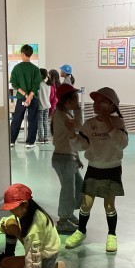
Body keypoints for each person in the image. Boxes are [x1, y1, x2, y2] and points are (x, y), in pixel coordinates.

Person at [64, 87, 128, 253]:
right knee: (86, 203)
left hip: (112, 169)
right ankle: (81, 231)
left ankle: (112, 235)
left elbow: (122, 144)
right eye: (95, 102)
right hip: (93, 168)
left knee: (109, 205)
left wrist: (109, 124)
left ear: (112, 106)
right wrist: (72, 134)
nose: (97, 105)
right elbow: (81, 145)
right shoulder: (89, 124)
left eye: (102, 102)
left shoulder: (118, 123)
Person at [0, 184, 65, 268]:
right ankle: (9, 255)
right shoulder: (28, 211)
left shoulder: (35, 228)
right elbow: (11, 222)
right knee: (9, 223)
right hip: (37, 245)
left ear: (24, 204)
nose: (11, 211)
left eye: (12, 208)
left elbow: (34, 255)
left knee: (6, 263)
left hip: (45, 255)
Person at [51, 84, 84, 234]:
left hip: (68, 157)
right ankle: (63, 221)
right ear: (66, 101)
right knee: (68, 191)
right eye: (75, 98)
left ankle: (69, 214)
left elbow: (70, 140)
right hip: (63, 159)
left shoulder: (64, 115)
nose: (77, 101)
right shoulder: (62, 116)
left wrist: (77, 157)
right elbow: (78, 128)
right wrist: (78, 110)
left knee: (79, 187)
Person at [10, 45, 42, 149]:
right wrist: (30, 96)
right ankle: (30, 143)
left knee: (17, 119)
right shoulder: (36, 69)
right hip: (33, 98)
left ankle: (11, 141)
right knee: (32, 120)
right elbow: (36, 85)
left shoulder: (16, 68)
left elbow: (14, 83)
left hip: (21, 98)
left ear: (22, 54)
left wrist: (25, 95)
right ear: (30, 54)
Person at [36, 68, 52, 144]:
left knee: (40, 122)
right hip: (47, 105)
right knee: (45, 122)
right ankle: (46, 138)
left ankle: (40, 138)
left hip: (40, 106)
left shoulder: (39, 85)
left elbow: (37, 96)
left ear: (40, 75)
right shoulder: (48, 85)